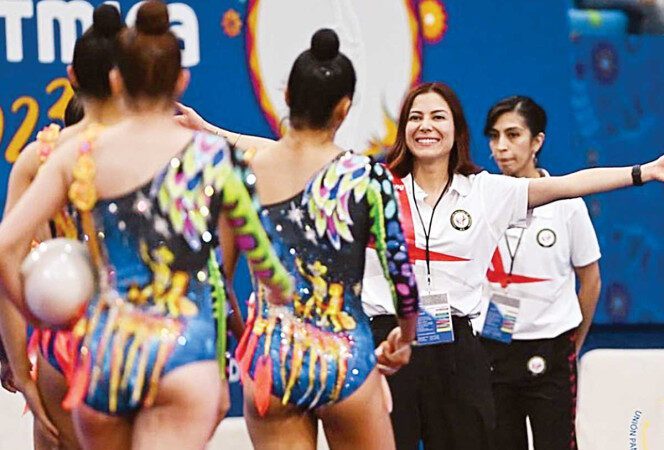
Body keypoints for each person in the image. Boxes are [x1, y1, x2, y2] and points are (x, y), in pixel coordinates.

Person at [0, 2, 291, 449]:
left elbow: (6, 249)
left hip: (102, 353)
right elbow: (265, 261)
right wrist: (280, 296)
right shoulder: (212, 157)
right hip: (183, 352)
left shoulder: (74, 156)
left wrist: (45, 323)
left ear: (115, 78)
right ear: (181, 81)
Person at [361, 81, 663, 450]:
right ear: (403, 129)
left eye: (438, 117)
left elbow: (569, 185)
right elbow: (300, 157)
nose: (426, 125)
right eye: (415, 117)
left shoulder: (486, 191)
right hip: (388, 346)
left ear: (456, 129)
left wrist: (644, 171)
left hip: (457, 350)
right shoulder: (373, 188)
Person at [226, 29, 418, 450]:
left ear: (288, 94)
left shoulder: (240, 174)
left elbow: (216, 282)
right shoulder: (367, 179)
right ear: (345, 108)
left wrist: (247, 338)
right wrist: (405, 336)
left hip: (270, 359)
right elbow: (401, 275)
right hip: (343, 357)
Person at [0, 6, 124, 449]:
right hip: (144, 345)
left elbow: (6, 254)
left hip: (65, 345)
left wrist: (19, 362)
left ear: (72, 75)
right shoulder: (167, 150)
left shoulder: (41, 158)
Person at [478, 95, 601, 450]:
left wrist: (572, 343)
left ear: (537, 142)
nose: (501, 147)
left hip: (551, 349)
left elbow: (590, 280)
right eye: (494, 136)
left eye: (513, 135)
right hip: (492, 349)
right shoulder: (480, 200)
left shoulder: (568, 205)